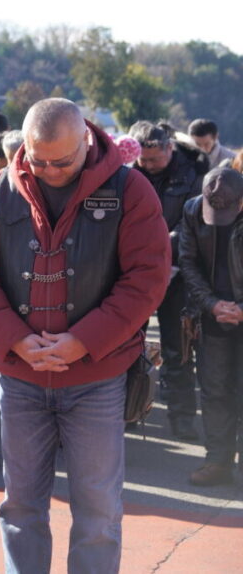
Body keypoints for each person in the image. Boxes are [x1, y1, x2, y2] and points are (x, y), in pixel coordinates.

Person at [0, 98, 169, 573]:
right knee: (20, 506)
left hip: (98, 376)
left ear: (86, 141)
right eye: (39, 160)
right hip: (21, 375)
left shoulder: (130, 190)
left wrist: (85, 340)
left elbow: (147, 278)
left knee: (97, 511)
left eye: (63, 161)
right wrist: (13, 338)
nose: (50, 170)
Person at [128, 121, 207, 440]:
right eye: (142, 161)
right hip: (134, 273)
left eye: (153, 160)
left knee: (178, 350)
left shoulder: (192, 173)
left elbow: (196, 223)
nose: (147, 166)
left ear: (169, 149)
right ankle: (129, 410)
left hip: (176, 273)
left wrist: (166, 248)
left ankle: (183, 418)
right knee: (129, 347)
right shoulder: (128, 173)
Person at [179, 167, 243, 486]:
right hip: (211, 312)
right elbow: (187, 261)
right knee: (214, 389)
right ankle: (217, 460)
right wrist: (211, 304)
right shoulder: (192, 210)